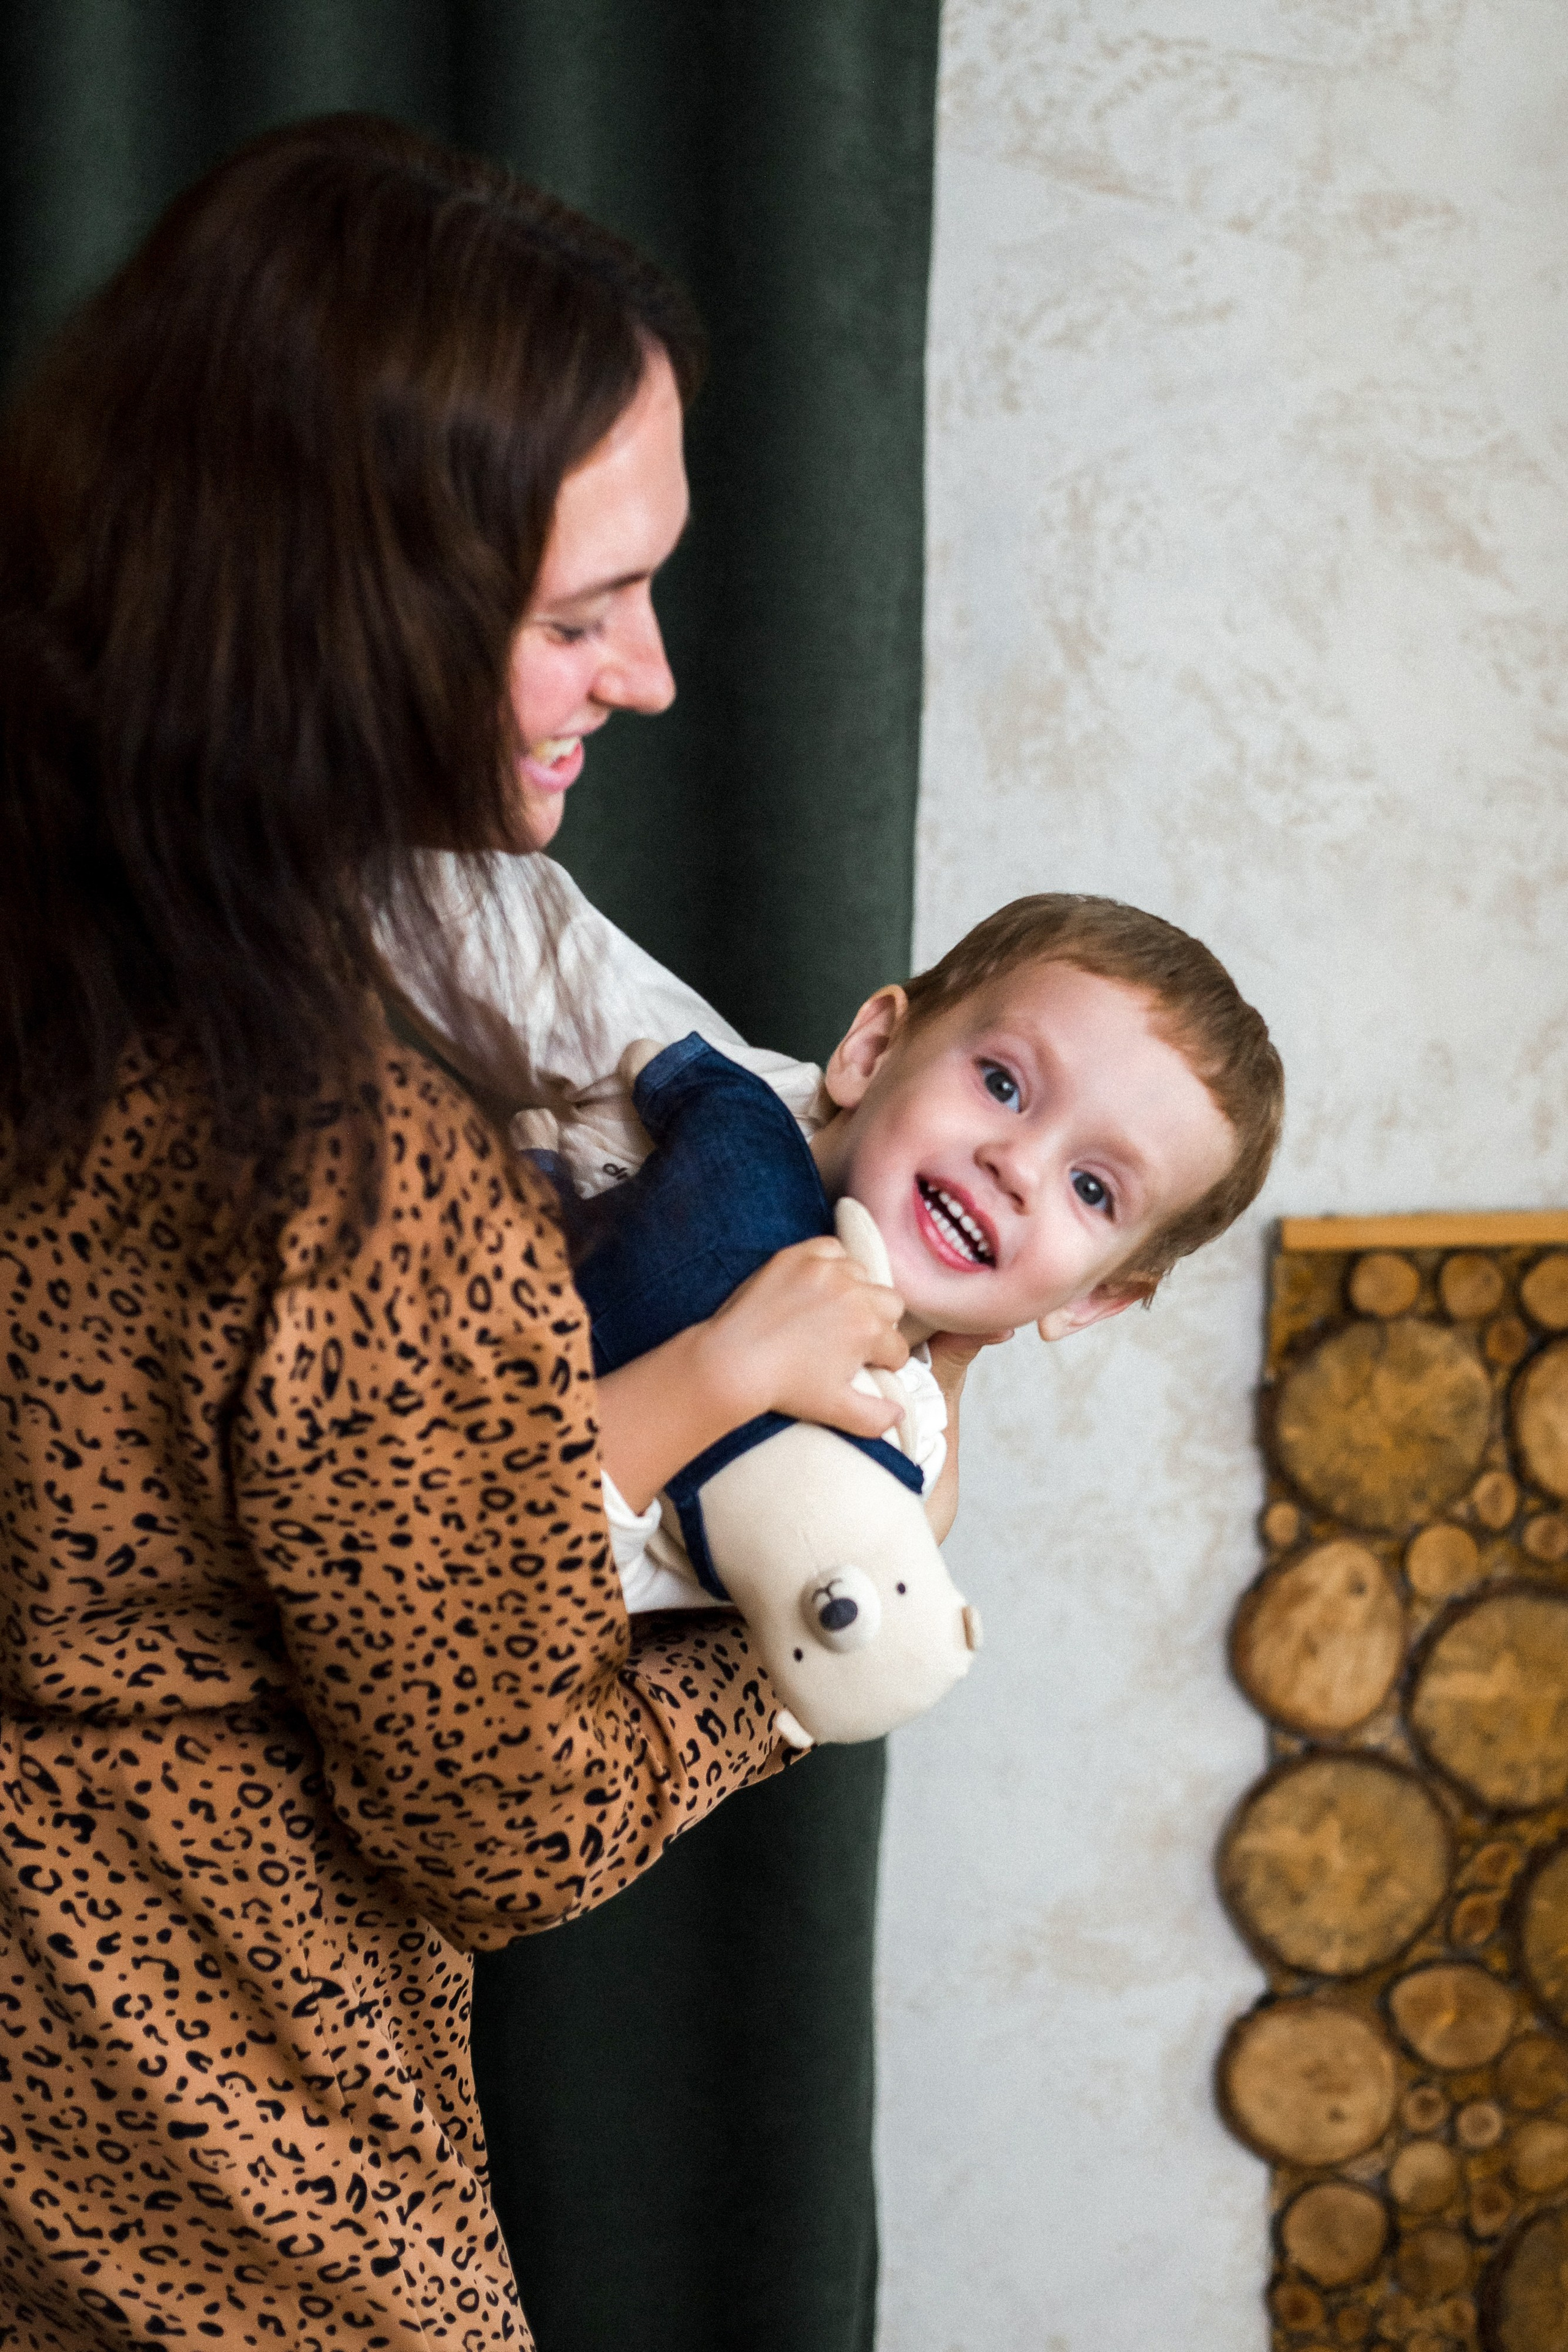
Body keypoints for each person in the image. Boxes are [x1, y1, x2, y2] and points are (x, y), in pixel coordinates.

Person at [0, 115, 912, 2350]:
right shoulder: (361, 1180)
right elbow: (508, 1825)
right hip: (224, 2177)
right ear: (340, 602)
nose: (660, 678)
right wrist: (822, 1653)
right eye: (584, 614)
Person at [438, 889, 1281, 1610]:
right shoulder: (718, 1087)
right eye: (1002, 1084)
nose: (1018, 1165)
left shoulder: (881, 1448)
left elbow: (524, 1594)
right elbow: (482, 924)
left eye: (1093, 1189)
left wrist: (721, 1375)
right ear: (872, 1051)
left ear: (1089, 1299)